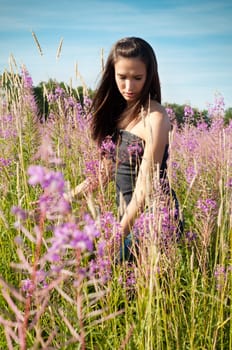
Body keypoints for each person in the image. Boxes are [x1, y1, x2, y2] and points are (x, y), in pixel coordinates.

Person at [69, 37, 183, 261]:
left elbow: (144, 187)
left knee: (116, 276)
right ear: (112, 74)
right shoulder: (119, 113)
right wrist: (65, 199)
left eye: (137, 78)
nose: (129, 87)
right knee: (95, 270)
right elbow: (105, 172)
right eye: (122, 77)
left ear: (149, 77)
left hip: (155, 217)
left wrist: (118, 236)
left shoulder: (156, 117)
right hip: (128, 217)